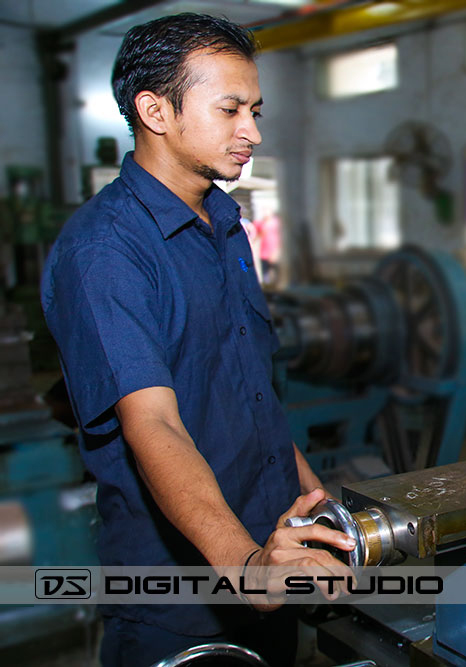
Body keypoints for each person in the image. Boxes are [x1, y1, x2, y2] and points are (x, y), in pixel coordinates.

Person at [41, 14, 352, 667]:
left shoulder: (225, 222)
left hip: (268, 557)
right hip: (178, 604)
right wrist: (244, 565)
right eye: (231, 109)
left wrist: (320, 508)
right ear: (155, 110)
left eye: (257, 110)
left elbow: (248, 394)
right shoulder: (105, 251)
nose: (253, 132)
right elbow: (153, 423)